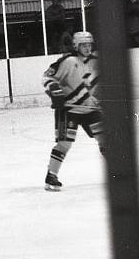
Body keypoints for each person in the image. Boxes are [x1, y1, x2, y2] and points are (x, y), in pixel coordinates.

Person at [41, 31, 104, 191]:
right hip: (68, 109)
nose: (87, 48)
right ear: (76, 46)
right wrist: (55, 92)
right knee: (64, 144)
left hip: (89, 109)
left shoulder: (95, 62)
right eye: (84, 45)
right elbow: (47, 77)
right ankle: (51, 175)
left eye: (89, 44)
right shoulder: (68, 61)